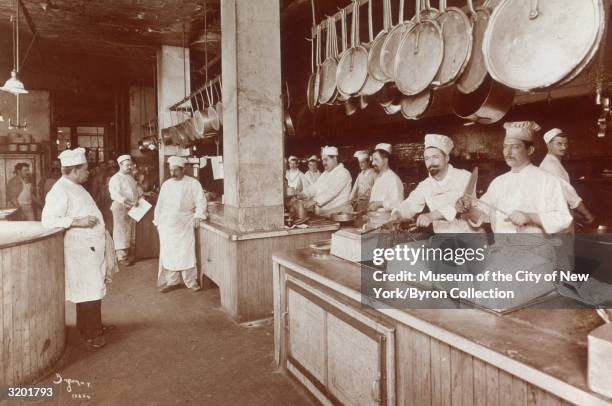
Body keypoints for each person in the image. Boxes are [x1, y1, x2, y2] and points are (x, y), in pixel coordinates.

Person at [41, 147, 118, 349]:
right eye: (85, 169)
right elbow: (48, 220)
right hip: (80, 249)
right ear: (74, 170)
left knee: (89, 288)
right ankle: (92, 334)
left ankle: (89, 326)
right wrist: (78, 221)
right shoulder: (60, 189)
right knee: (89, 288)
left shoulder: (75, 185)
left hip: (89, 247)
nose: (88, 172)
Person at [457, 121, 572, 234]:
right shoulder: (498, 182)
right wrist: (467, 210)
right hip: (503, 249)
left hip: (536, 251)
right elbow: (482, 214)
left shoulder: (547, 180)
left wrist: (531, 217)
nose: (508, 152)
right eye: (505, 147)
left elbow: (563, 219)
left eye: (515, 147)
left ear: (530, 150)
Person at [391, 134, 478, 233]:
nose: (431, 162)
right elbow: (411, 203)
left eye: (435, 157)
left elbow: (461, 205)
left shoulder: (464, 177)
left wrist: (431, 216)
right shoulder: (425, 185)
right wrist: (398, 213)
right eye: (427, 158)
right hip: (442, 240)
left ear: (447, 158)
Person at [154, 156, 207, 293]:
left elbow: (201, 201)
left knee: (186, 253)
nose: (172, 173)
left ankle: (191, 281)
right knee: (169, 253)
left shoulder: (193, 183)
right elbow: (160, 204)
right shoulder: (167, 184)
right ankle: (173, 282)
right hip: (167, 224)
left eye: (176, 170)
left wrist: (198, 215)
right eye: (171, 170)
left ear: (183, 169)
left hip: (184, 223)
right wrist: (158, 220)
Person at [540, 128, 595, 226]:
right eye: (559, 144)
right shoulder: (551, 165)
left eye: (566, 144)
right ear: (548, 145)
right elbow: (569, 194)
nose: (564, 147)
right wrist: (587, 215)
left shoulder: (553, 162)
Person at [298, 146, 352, 217]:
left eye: (326, 160)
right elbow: (315, 186)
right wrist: (304, 194)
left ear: (335, 158)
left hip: (339, 214)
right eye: (323, 160)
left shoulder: (343, 173)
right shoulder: (326, 173)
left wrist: (314, 201)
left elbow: (332, 191)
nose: (324, 163)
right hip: (324, 215)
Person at [108, 155, 141, 266]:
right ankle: (121, 257)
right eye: (127, 165)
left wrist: (142, 195)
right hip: (120, 207)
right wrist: (129, 202)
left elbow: (134, 191)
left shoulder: (130, 177)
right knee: (121, 231)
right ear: (120, 165)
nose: (130, 167)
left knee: (130, 231)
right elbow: (115, 195)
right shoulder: (115, 178)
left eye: (131, 165)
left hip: (132, 207)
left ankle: (129, 254)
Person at [368, 143, 404, 212]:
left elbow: (398, 203)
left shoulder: (393, 179)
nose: (372, 163)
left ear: (385, 160)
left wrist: (380, 204)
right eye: (372, 160)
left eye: (376, 159)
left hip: (386, 220)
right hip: (374, 219)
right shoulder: (379, 178)